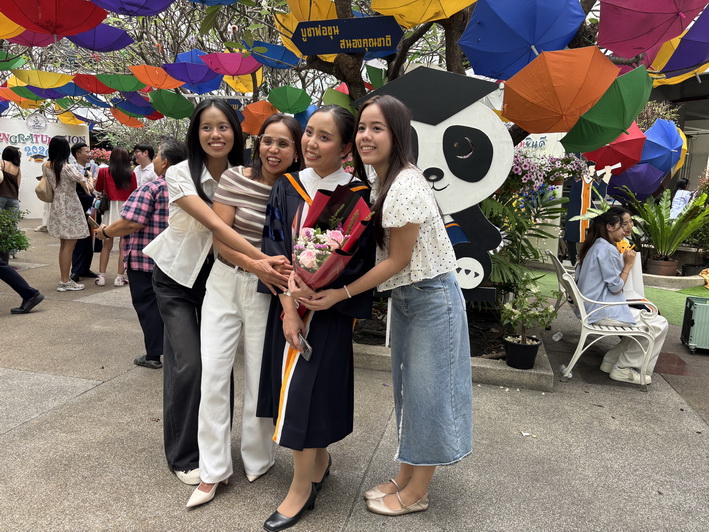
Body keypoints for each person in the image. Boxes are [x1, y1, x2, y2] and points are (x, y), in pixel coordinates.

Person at [296, 95, 472, 517]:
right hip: (411, 299)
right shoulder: (381, 182)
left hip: (433, 299)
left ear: (398, 135)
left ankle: (417, 491)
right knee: (409, 391)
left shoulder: (405, 185)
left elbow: (397, 261)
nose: (366, 136)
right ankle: (405, 475)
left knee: (428, 396)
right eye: (361, 128)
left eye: (377, 128)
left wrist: (339, 293)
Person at [141, 98, 289, 486]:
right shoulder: (179, 173)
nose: (215, 134)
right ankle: (184, 455)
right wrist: (261, 262)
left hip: (218, 277)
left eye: (223, 126)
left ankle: (218, 450)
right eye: (206, 127)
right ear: (196, 133)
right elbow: (218, 226)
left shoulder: (246, 172)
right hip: (176, 277)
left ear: (236, 132)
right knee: (189, 364)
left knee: (217, 364)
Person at [256, 105, 374, 532]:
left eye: (325, 137)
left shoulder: (356, 195)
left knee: (305, 395)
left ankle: (300, 488)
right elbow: (274, 249)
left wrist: (324, 296)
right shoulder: (287, 186)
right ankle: (318, 461)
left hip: (329, 312)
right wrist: (290, 308)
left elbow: (358, 261)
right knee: (294, 392)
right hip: (289, 310)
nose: (310, 143)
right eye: (309, 133)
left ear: (345, 148)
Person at [186, 114, 304, 509]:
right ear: (258, 143)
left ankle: (258, 457)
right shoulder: (234, 178)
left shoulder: (296, 191)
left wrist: (272, 276)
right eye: (268, 141)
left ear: (296, 151)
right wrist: (257, 264)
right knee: (213, 374)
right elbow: (221, 239)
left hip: (267, 292)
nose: (274, 150)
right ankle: (212, 469)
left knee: (258, 376)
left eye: (283, 144)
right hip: (224, 282)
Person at [97, 138, 188, 370]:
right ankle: (180, 351)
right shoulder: (190, 190)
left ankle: (154, 354)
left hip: (145, 260)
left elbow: (130, 222)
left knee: (148, 305)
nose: (155, 159)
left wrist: (105, 231)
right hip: (178, 260)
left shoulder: (152, 188)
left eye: (157, 155)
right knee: (176, 307)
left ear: (165, 162)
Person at [575, 206, 669, 384]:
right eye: (621, 227)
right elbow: (616, 287)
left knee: (646, 321)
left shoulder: (595, 245)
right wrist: (628, 264)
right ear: (610, 227)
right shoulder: (607, 249)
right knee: (659, 323)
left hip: (592, 306)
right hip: (601, 310)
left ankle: (612, 360)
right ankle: (624, 368)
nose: (624, 231)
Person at [44, 136, 94, 292]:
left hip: (57, 205)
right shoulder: (68, 167)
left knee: (63, 245)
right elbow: (88, 188)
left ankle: (64, 279)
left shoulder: (47, 166)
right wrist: (90, 178)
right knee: (70, 245)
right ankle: (65, 281)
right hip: (70, 205)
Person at [94, 147, 137, 287]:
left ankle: (101, 277)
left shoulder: (104, 171)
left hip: (109, 209)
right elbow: (134, 192)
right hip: (126, 210)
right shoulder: (131, 173)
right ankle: (119, 277)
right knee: (123, 245)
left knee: (106, 244)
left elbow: (98, 188)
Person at [69, 142, 98, 282]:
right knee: (78, 240)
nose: (89, 154)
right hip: (77, 208)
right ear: (78, 154)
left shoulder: (89, 169)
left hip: (88, 208)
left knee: (88, 240)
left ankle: (85, 268)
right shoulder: (72, 169)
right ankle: (76, 270)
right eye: (86, 152)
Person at [1, 146, 22, 212]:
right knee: (12, 218)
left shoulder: (2, 163)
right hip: (13, 197)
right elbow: (18, 185)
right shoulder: (18, 169)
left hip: (1, 194)